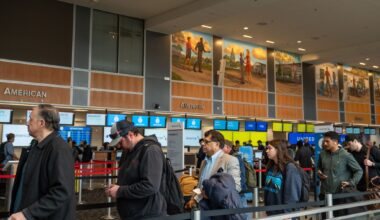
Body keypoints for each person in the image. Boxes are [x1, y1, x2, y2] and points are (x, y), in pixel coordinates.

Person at [9, 104, 75, 220]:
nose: (27, 123)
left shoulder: (59, 149)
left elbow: (61, 191)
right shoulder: (35, 147)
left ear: (41, 123)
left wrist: (27, 214)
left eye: (30, 119)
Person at [105, 120, 166, 219]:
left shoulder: (151, 150)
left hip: (147, 214)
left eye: (120, 142)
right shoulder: (129, 151)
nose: (118, 146)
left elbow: (150, 186)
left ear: (130, 135)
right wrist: (117, 187)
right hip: (132, 213)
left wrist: (120, 191)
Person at [185, 130, 241, 209]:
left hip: (219, 209)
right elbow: (199, 185)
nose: (203, 144)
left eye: (206, 142)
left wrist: (210, 194)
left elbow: (236, 187)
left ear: (217, 144)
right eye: (203, 141)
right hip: (201, 207)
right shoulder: (204, 162)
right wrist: (193, 199)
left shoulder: (230, 160)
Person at [318, 131, 362, 200]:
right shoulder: (322, 154)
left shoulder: (346, 155)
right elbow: (319, 168)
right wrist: (319, 173)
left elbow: (359, 171)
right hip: (324, 194)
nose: (324, 143)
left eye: (327, 141)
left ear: (335, 142)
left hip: (340, 195)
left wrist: (351, 182)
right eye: (324, 141)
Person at [264, 140, 302, 216]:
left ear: (278, 149)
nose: (267, 151)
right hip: (272, 211)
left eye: (269, 148)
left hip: (284, 213)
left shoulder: (290, 168)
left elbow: (292, 193)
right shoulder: (271, 166)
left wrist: (288, 213)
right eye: (266, 148)